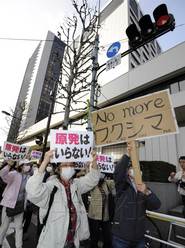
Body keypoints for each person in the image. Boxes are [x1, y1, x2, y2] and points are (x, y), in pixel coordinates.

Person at [26, 150, 100, 248]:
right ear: (58, 169)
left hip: (72, 242)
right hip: (52, 243)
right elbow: (33, 192)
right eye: (65, 165)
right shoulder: (51, 187)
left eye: (71, 165)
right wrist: (45, 162)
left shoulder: (76, 185)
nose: (68, 167)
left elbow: (92, 180)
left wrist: (94, 162)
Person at [112, 143, 161, 248]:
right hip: (121, 237)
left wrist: (147, 192)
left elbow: (156, 205)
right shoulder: (122, 186)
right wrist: (127, 155)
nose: (136, 170)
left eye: (138, 168)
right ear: (128, 172)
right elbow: (118, 171)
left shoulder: (144, 187)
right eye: (132, 168)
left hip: (139, 238)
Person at [0, 159, 31, 248]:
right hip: (9, 203)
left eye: (29, 164)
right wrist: (9, 165)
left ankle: (19, 246)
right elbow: (2, 174)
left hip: (20, 204)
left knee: (19, 227)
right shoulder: (14, 174)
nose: (28, 166)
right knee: (4, 226)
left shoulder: (28, 177)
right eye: (26, 164)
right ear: (21, 166)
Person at [88, 172, 115, 248]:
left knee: (108, 239)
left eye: (102, 173)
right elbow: (87, 180)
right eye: (99, 173)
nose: (101, 174)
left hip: (105, 216)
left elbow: (116, 183)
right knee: (94, 239)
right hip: (94, 216)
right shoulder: (92, 183)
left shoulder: (107, 183)